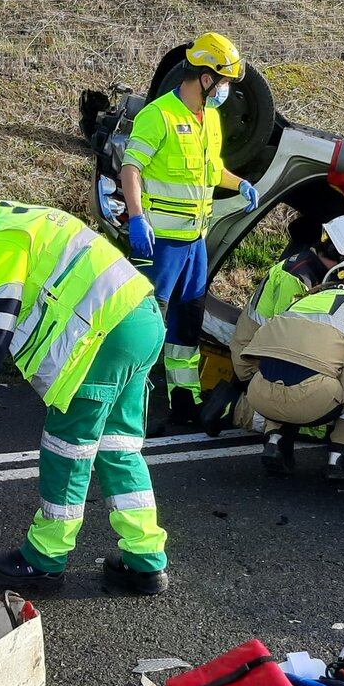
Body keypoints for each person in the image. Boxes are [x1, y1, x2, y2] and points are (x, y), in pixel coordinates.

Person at [0, 171, 169, 595]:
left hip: (101, 340)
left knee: (66, 450)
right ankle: (146, 561)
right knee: (119, 447)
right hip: (141, 320)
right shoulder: (26, 218)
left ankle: (44, 559)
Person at [116, 33, 258, 428]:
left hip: (194, 241)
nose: (227, 89)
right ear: (206, 76)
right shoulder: (159, 114)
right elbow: (131, 168)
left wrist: (238, 183)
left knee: (187, 322)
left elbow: (211, 169)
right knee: (146, 323)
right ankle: (130, 404)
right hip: (161, 242)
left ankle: (184, 398)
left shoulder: (209, 118)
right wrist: (137, 216)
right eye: (224, 81)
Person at [207, 213, 344, 434]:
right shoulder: (298, 278)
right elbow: (289, 342)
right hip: (257, 362)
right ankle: (235, 409)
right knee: (316, 414)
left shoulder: (310, 268)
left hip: (266, 353)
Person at [241, 252, 344, 481]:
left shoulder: (302, 301)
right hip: (315, 400)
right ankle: (342, 455)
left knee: (290, 359)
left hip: (259, 393)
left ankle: (276, 440)